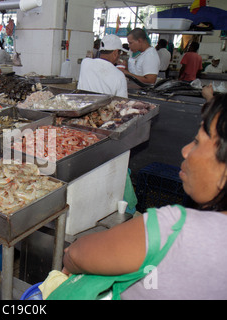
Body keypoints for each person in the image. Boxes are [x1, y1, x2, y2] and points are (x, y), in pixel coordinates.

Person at [50, 93, 227, 300]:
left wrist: (71, 263)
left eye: (197, 142)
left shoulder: (173, 230)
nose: (186, 150)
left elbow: (75, 255)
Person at [77, 34, 128, 98]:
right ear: (115, 53)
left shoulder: (85, 62)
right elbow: (122, 102)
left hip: (83, 106)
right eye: (119, 53)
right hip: (103, 107)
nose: (119, 56)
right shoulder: (119, 76)